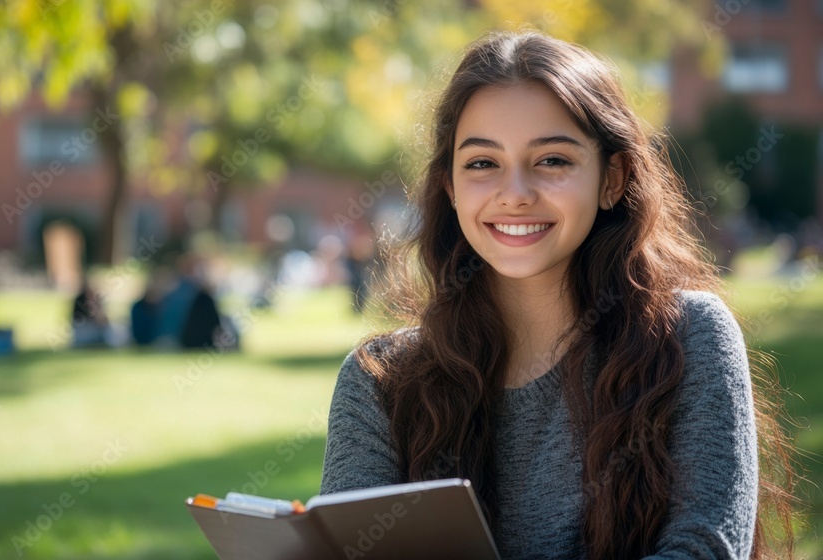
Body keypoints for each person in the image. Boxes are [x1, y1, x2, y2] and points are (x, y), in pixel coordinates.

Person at [320, 31, 796, 559]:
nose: (516, 193)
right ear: (451, 188)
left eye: (552, 160)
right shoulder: (380, 384)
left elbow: (703, 549)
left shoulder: (688, 337)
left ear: (612, 179)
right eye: (482, 163)